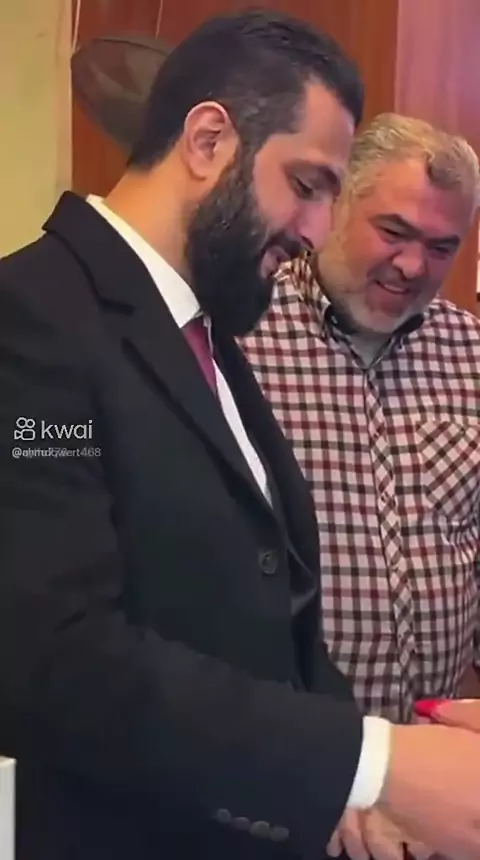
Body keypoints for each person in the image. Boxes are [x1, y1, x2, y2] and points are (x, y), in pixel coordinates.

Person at [0, 11, 480, 860]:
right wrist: (371, 763)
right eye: (306, 184)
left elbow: (266, 620)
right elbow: (50, 657)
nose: (317, 229)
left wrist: (363, 782)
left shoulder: (209, 336)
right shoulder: (29, 317)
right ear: (208, 140)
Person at [240, 112, 480, 854]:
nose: (412, 266)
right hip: (276, 783)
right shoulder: (237, 336)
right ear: (337, 203)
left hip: (437, 797)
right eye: (393, 232)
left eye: (441, 246)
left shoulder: (471, 354)